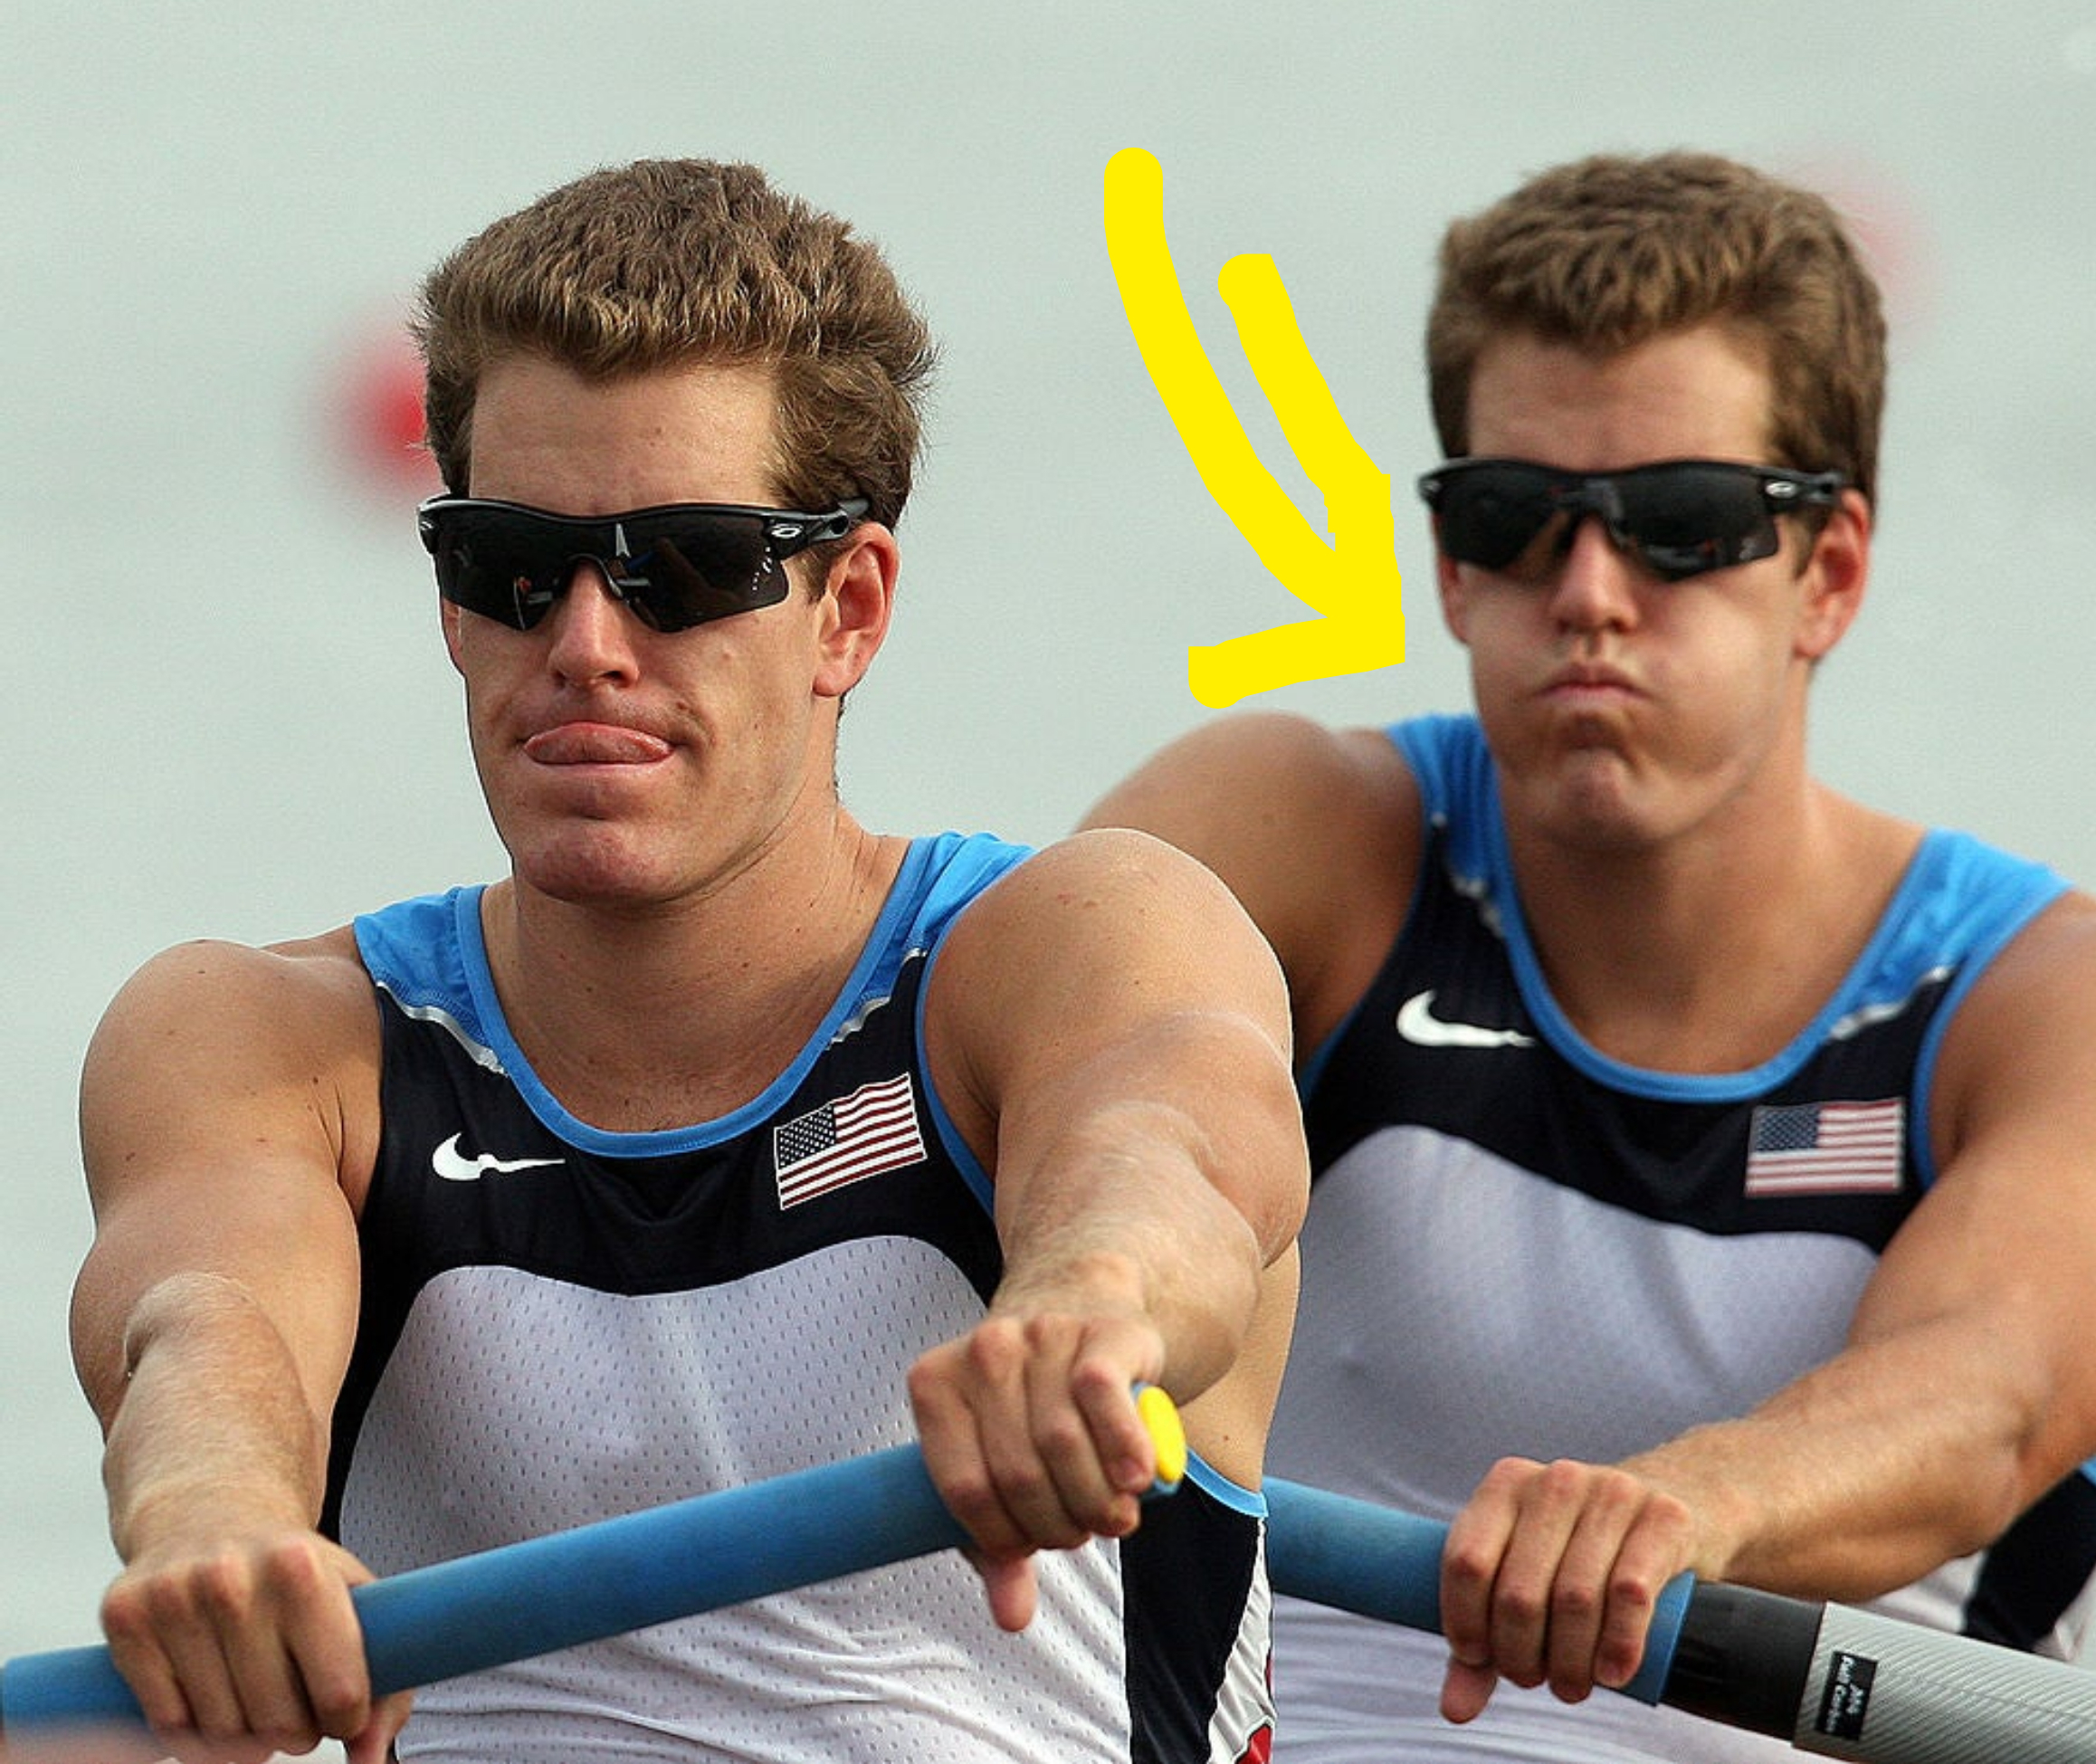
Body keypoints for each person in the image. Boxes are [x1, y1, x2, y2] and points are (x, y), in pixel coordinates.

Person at [69, 158, 1305, 1764]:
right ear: (451, 603)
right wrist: (211, 1524)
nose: (585, 639)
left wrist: (1086, 1317)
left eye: (688, 566)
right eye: (514, 560)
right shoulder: (265, 1043)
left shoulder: (1075, 946)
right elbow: (203, 1324)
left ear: (847, 610)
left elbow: (1174, 1171)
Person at [1083, 149, 2096, 1760]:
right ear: (1452, 567)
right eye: (1519, 519)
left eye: (1681, 524)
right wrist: (1087, 1286)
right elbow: (1027, 1088)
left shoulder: (2073, 1003)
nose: (1590, 594)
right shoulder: (1295, 836)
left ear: (1832, 574)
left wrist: (1687, 1503)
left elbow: (1990, 1395)